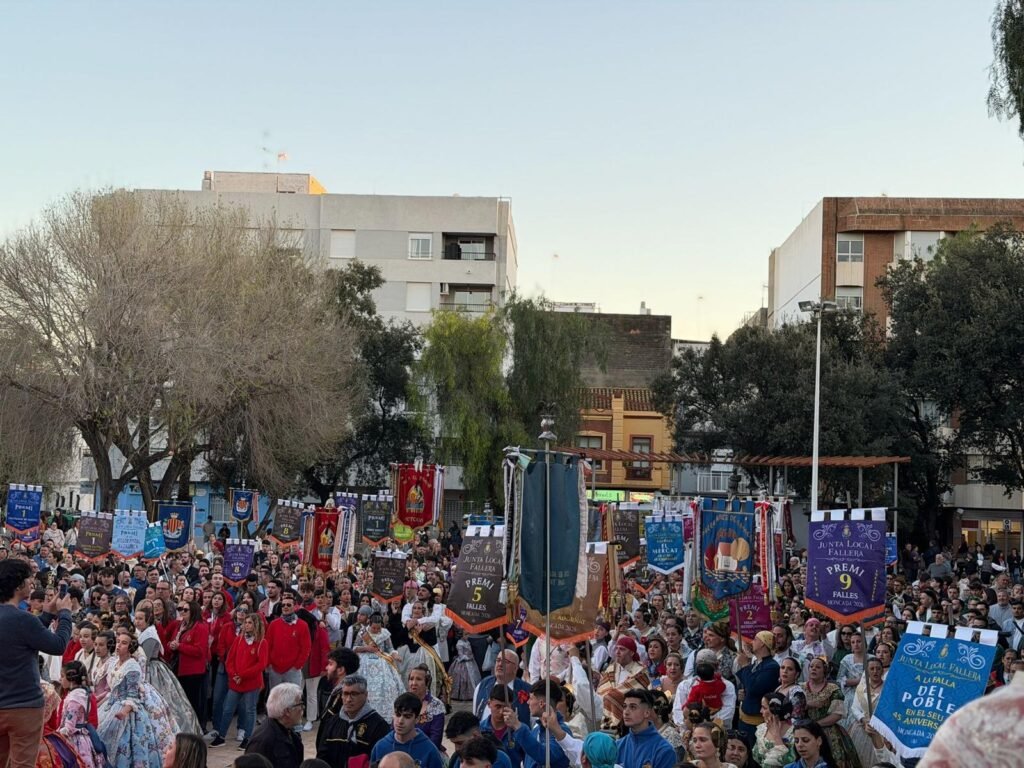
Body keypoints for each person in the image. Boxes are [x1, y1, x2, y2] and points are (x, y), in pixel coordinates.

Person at [0, 558, 73, 768]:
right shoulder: (24, 620)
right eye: (28, 579)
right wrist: (65, 614)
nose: (31, 583)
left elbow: (21, 636)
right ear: (17, 585)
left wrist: (47, 614)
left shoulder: (23, 620)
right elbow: (58, 645)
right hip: (24, 706)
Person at [97, 632, 174, 768]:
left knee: (125, 745)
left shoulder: (132, 667)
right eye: (118, 641)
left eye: (123, 643)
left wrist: (124, 712)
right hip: (111, 705)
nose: (119, 645)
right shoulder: (113, 662)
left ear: (130, 647)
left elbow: (133, 696)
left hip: (126, 710)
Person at [214, 612, 268, 748]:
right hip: (235, 682)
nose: (246, 625)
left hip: (251, 682)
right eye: (246, 622)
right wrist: (234, 675)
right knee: (227, 709)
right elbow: (230, 659)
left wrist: (242, 675)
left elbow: (261, 665)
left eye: (250, 623)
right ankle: (221, 736)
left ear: (256, 625)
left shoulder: (262, 642)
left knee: (250, 710)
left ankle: (248, 738)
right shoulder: (238, 639)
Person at [315, 673, 389, 768]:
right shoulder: (332, 722)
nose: (348, 699)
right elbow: (321, 757)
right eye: (345, 694)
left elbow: (379, 762)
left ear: (366, 695)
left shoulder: (378, 725)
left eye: (354, 694)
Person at [801, 656, 857, 768]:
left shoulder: (833, 689)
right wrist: (807, 705)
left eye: (818, 667)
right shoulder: (800, 688)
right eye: (811, 666)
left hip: (828, 731)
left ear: (824, 671)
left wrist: (816, 725)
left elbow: (837, 714)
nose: (813, 669)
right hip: (804, 730)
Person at [501, 682, 572, 768]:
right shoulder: (536, 730)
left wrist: (517, 725)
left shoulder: (561, 731)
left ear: (541, 703)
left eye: (531, 698)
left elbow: (545, 756)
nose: (528, 702)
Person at [350, 609, 404, 719]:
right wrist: (366, 648)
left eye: (378, 628)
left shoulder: (385, 633)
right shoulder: (363, 633)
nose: (376, 630)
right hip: (364, 662)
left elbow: (390, 648)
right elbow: (354, 648)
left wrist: (395, 655)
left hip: (382, 661)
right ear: (369, 624)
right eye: (374, 628)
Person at [368, 692, 445, 768]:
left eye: (407, 716)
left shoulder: (429, 751)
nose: (400, 721)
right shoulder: (380, 747)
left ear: (417, 719)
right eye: (398, 715)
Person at [168, 600, 209, 726]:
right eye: (181, 609)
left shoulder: (200, 627)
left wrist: (179, 646)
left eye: (186, 610)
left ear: (193, 611)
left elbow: (199, 651)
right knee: (182, 701)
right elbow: (172, 640)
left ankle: (196, 727)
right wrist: (172, 645)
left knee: (192, 701)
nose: (182, 612)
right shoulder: (181, 625)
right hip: (180, 668)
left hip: (193, 671)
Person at [56, 661, 104, 768]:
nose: (60, 679)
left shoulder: (75, 699)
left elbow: (69, 728)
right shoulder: (83, 693)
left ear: (71, 678)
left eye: (62, 676)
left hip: (75, 742)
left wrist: (56, 736)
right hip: (84, 738)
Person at [244, 683, 304, 768]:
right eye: (300, 704)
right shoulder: (263, 741)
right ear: (287, 711)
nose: (302, 708)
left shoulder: (289, 732)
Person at [734, 630, 781, 738]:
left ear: (763, 644)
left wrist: (745, 665)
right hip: (744, 717)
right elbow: (746, 684)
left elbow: (754, 688)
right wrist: (741, 693)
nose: (752, 642)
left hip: (757, 721)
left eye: (755, 639)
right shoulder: (756, 663)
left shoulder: (772, 667)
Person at [615, 688, 675, 768]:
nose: (626, 712)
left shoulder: (664, 750)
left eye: (633, 707)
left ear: (647, 713)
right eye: (625, 706)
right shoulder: (618, 746)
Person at [473, 648, 531, 725]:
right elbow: (475, 713)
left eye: (506, 662)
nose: (500, 664)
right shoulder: (483, 685)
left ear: (515, 668)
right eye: (498, 660)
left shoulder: (527, 690)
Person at [265, 593, 311, 688]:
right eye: (283, 605)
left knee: (293, 697)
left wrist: (297, 666)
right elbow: (267, 645)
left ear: (295, 606)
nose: (285, 607)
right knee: (276, 696)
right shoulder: (273, 624)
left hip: (293, 670)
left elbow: (306, 648)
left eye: (289, 605)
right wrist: (269, 664)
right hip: (275, 669)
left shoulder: (303, 625)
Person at [445, 711, 514, 768]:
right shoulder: (457, 757)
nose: (457, 749)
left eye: (460, 743)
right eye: (462, 762)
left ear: (476, 735)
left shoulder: (497, 759)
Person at [407, 664, 446, 753]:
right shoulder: (403, 702)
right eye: (411, 679)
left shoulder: (436, 705)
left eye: (418, 679)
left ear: (427, 683)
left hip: (428, 752)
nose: (414, 683)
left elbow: (435, 739)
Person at [753, 692, 797, 768]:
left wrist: (777, 737)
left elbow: (792, 761)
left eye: (764, 708)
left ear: (775, 710)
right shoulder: (762, 729)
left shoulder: (794, 733)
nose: (760, 711)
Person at [450, 634, 483, 701]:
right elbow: (461, 655)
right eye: (465, 634)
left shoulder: (467, 642)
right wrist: (468, 657)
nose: (467, 636)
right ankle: (463, 695)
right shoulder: (459, 643)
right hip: (464, 663)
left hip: (471, 662)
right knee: (463, 678)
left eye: (468, 634)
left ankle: (474, 693)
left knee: (474, 677)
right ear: (461, 635)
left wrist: (471, 656)